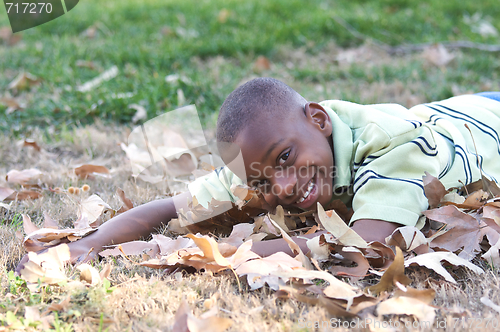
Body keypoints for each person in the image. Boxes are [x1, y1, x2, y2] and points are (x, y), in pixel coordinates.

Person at [16, 78, 500, 270]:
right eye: (265, 181)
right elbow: (172, 207)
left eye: (286, 159)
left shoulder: (394, 148)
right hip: (452, 111)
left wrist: (198, 251)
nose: (284, 187)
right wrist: (88, 244)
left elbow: (363, 247)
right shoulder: (262, 160)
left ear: (318, 120)